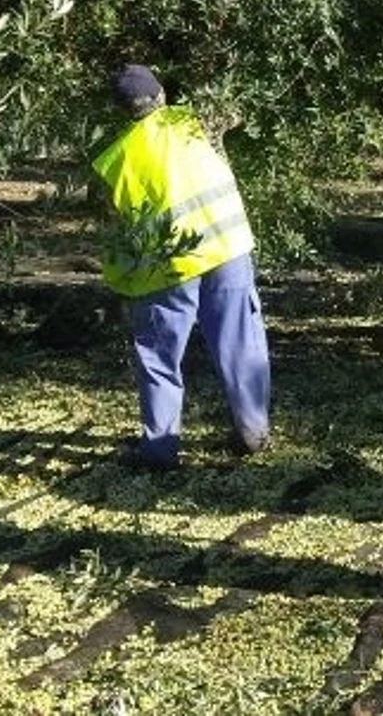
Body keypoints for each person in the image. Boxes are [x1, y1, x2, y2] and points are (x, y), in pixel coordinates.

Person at [90, 64, 271, 470]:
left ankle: (159, 451)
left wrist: (120, 283)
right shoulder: (196, 122)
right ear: (161, 95)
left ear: (122, 110)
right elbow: (235, 109)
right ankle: (253, 433)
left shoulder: (114, 160)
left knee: (158, 357)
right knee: (241, 343)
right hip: (228, 250)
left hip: (167, 271)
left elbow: (117, 232)